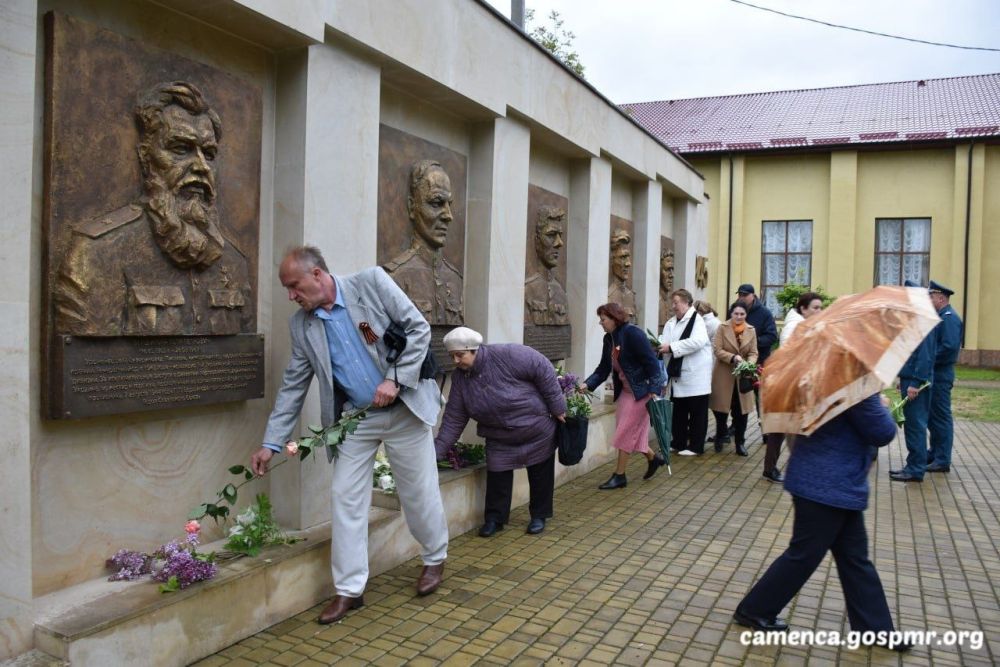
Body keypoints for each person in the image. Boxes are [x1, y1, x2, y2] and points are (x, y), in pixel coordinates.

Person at [250, 246, 449, 625]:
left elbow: (418, 328)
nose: (292, 296)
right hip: (355, 420)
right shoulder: (302, 325)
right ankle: (349, 590)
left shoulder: (370, 283)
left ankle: (434, 558)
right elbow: (294, 385)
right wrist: (270, 442)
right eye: (287, 290)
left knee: (418, 492)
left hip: (405, 409)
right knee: (345, 497)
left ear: (318, 275)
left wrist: (394, 379)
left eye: (294, 286)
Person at [55, 81, 253, 336]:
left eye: (209, 154)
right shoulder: (98, 253)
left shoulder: (235, 262)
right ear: (145, 158)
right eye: (181, 149)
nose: (202, 166)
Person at [734, 392, 911, 652]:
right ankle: (754, 609)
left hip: (824, 481)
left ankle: (875, 629)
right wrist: (883, 406)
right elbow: (882, 432)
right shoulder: (855, 381)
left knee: (854, 559)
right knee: (804, 555)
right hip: (829, 486)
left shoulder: (818, 373)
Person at [434, 327, 566, 536]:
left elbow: (542, 368)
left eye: (460, 355)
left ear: (475, 350)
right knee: (497, 477)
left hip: (534, 429)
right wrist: (435, 453)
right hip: (498, 436)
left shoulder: (509, 354)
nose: (456, 361)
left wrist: (558, 407)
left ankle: (539, 516)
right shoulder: (460, 378)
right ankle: (495, 519)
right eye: (452, 357)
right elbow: (454, 418)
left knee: (540, 474)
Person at [581, 303, 666, 489]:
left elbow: (651, 362)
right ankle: (653, 458)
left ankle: (619, 476)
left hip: (642, 391)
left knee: (625, 431)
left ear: (614, 319)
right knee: (630, 431)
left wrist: (654, 387)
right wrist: (588, 384)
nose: (600, 323)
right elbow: (603, 368)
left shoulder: (633, 334)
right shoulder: (609, 339)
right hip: (626, 392)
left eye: (603, 320)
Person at [383, 160, 464, 325]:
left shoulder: (455, 279)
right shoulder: (395, 277)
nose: (449, 216)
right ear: (413, 207)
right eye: (436, 203)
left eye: (449, 205)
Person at [764, 291, 824, 482]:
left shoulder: (804, 325)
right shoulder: (795, 327)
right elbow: (793, 356)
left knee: (781, 427)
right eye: (815, 307)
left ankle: (772, 468)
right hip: (790, 382)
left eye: (820, 307)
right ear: (803, 309)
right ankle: (790, 469)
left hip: (793, 382)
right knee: (788, 427)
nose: (819, 311)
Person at [889, 281, 937, 483]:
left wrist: (915, 383)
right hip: (910, 378)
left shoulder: (923, 320)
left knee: (915, 425)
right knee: (911, 425)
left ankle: (916, 469)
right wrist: (903, 378)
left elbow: (925, 357)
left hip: (917, 383)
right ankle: (912, 465)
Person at [659, 289, 713, 456]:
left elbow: (698, 341)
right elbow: (665, 339)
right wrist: (659, 344)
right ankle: (678, 442)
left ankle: (696, 446)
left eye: (676, 303)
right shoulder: (671, 322)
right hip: (678, 375)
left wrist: (672, 347)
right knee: (679, 412)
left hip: (695, 375)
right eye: (672, 303)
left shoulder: (697, 320)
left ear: (686, 302)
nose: (673, 306)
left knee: (697, 413)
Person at [710, 302, 758, 456]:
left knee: (741, 413)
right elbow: (717, 349)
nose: (739, 317)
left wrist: (749, 364)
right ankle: (720, 436)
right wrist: (733, 357)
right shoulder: (722, 328)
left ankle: (740, 443)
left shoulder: (751, 330)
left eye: (742, 314)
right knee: (721, 411)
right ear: (731, 313)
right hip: (724, 374)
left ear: (746, 315)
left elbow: (753, 352)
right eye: (736, 314)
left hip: (742, 377)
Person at [927, 280, 963, 473]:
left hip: (941, 375)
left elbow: (948, 348)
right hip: (936, 374)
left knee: (941, 417)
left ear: (941, 298)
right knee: (933, 417)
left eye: (931, 296)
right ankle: (934, 453)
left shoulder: (948, 318)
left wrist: (927, 360)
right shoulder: (941, 316)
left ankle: (942, 459)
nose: (929, 299)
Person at [524, 206, 570, 326]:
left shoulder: (561, 293)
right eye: (551, 235)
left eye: (560, 235)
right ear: (537, 240)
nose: (559, 243)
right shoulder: (527, 290)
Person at [608, 229, 637, 321]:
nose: (628, 263)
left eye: (628, 257)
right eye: (623, 257)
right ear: (612, 260)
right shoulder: (608, 295)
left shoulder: (631, 296)